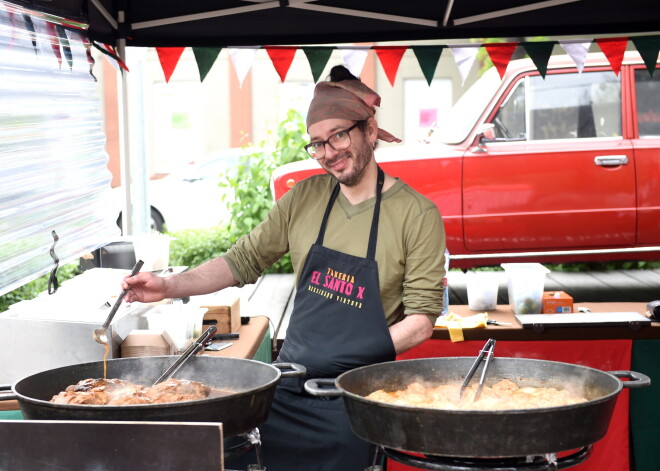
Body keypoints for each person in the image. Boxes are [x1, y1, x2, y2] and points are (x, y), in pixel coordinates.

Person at [123, 65, 447, 471]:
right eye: (316, 144)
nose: (328, 152)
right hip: (289, 386)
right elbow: (241, 260)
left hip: (357, 395)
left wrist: (351, 359)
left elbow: (420, 321)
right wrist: (168, 286)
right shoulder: (304, 198)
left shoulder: (417, 214)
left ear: (369, 129)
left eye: (338, 136)